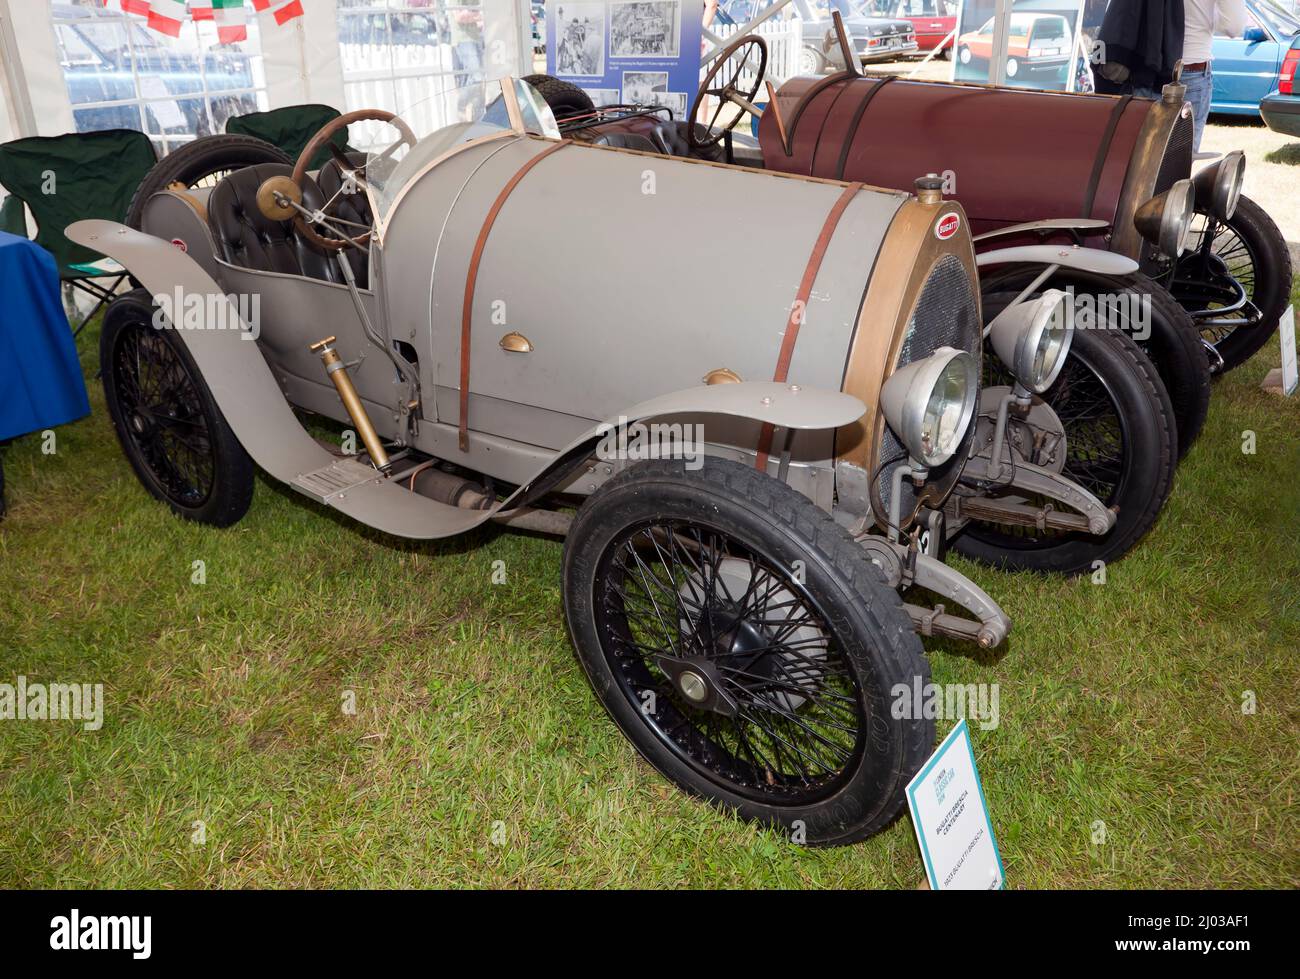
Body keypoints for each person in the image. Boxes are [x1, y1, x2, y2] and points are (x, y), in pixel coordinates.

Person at [1181, 0, 1247, 148]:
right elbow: (1233, 27)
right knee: (1180, 157)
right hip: (1190, 64)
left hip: (1143, 65)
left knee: (1139, 155)